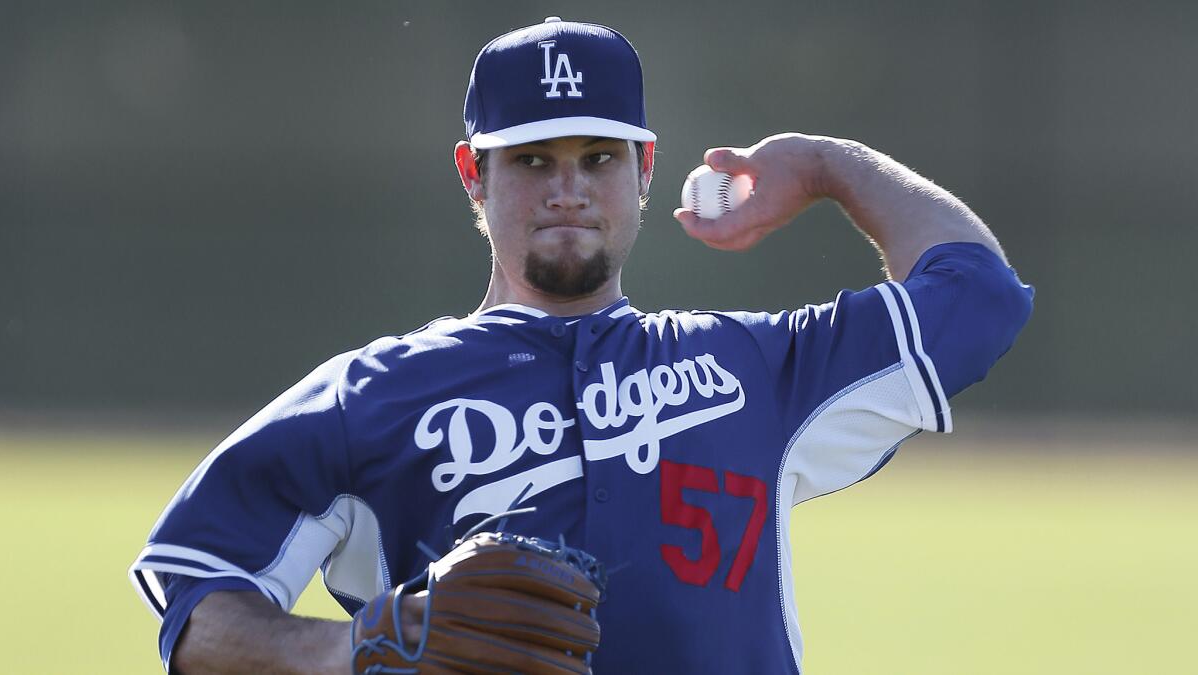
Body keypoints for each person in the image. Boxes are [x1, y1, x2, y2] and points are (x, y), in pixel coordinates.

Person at [129, 16, 1033, 674]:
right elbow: (196, 601)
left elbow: (977, 298)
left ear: (644, 169)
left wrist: (831, 165)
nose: (568, 188)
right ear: (472, 174)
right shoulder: (369, 397)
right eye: (531, 160)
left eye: (597, 157)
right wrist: (357, 646)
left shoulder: (753, 369)